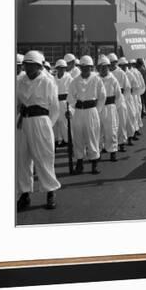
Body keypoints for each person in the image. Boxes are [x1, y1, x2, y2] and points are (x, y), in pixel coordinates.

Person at [16, 50, 61, 211]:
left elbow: (55, 108)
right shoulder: (19, 81)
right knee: (22, 159)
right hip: (23, 122)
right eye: (26, 65)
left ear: (38, 66)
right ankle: (24, 194)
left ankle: (50, 192)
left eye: (31, 65)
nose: (27, 68)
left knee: (44, 157)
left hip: (41, 121)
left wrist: (47, 124)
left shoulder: (47, 82)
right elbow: (17, 103)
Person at [68, 55, 106, 174]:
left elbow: (102, 96)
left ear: (91, 67)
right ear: (80, 67)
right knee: (78, 137)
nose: (85, 70)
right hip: (79, 111)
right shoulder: (74, 81)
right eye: (83, 67)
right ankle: (79, 163)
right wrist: (71, 109)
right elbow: (70, 98)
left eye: (87, 67)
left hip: (91, 110)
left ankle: (94, 163)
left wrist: (97, 110)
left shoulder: (96, 79)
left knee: (93, 136)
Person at [97, 56, 122, 162]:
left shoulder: (113, 79)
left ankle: (113, 151)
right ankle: (97, 152)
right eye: (102, 67)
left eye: (106, 67)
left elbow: (118, 96)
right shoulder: (95, 79)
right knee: (97, 131)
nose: (104, 69)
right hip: (98, 108)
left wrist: (114, 107)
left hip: (110, 107)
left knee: (111, 130)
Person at [108, 54, 134, 152]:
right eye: (110, 63)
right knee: (110, 125)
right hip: (109, 102)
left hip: (121, 98)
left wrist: (124, 99)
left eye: (113, 62)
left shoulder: (121, 73)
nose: (112, 64)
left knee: (122, 122)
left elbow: (127, 88)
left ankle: (122, 143)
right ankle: (110, 145)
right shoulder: (105, 73)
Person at [119, 58, 140, 145]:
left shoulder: (130, 74)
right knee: (121, 120)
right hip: (119, 99)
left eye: (125, 65)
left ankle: (130, 136)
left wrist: (131, 94)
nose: (123, 67)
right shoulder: (117, 74)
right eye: (121, 65)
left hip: (129, 98)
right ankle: (121, 140)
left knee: (131, 116)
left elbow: (136, 86)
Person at [53, 59, 72, 148]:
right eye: (59, 68)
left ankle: (68, 140)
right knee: (57, 122)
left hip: (65, 102)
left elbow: (72, 91)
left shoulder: (69, 78)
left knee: (65, 122)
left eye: (63, 68)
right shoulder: (53, 78)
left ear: (65, 68)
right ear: (57, 68)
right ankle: (58, 139)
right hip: (56, 102)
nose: (61, 70)